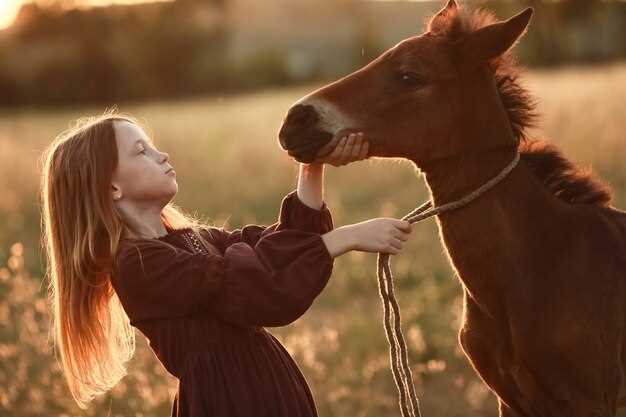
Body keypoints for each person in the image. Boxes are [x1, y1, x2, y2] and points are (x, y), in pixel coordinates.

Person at [40, 108, 413, 417]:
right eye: (141, 152)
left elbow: (273, 244)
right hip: (228, 402)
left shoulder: (193, 239)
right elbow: (258, 287)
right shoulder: (138, 265)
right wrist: (342, 239)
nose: (162, 156)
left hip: (265, 390)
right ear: (111, 188)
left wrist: (311, 167)